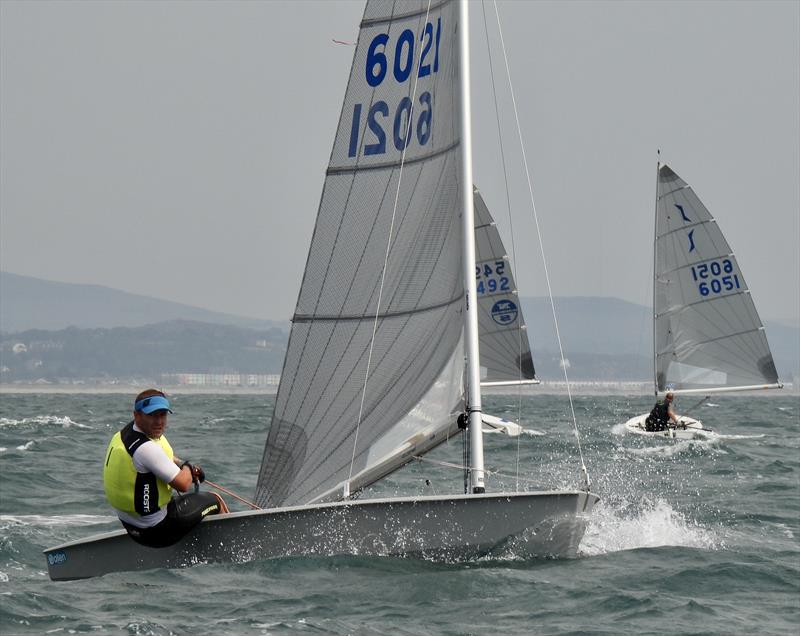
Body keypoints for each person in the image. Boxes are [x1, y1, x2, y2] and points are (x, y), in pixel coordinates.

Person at [103, 389, 229, 548]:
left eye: (163, 415)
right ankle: (232, 545)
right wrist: (188, 468)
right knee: (215, 499)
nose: (159, 421)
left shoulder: (124, 435)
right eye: (152, 415)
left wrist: (181, 463)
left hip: (132, 527)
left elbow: (160, 457)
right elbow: (183, 485)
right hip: (157, 532)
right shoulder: (146, 449)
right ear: (137, 415)